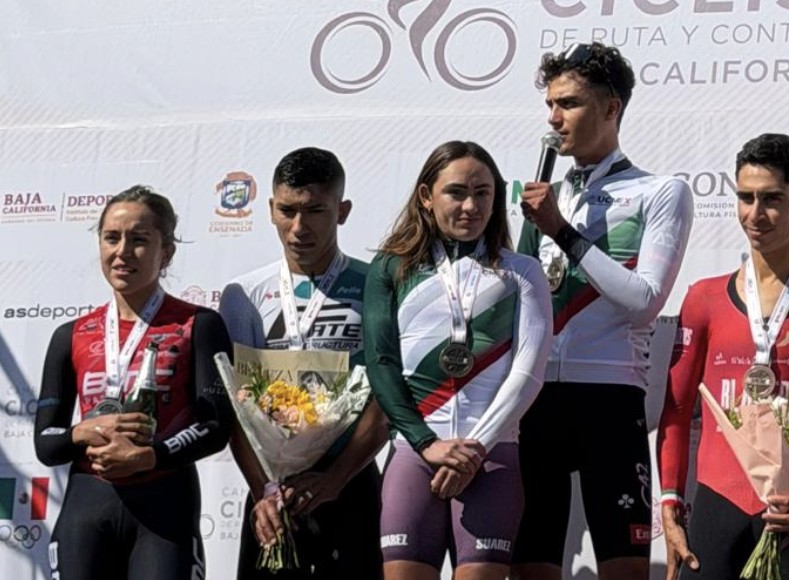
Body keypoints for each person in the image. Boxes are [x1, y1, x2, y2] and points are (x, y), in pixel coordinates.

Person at [513, 42, 694, 580]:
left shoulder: (659, 192)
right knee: (532, 564)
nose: (553, 118)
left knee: (623, 566)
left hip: (609, 394)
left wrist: (562, 232)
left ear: (611, 108)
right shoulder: (546, 195)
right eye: (549, 104)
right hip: (535, 393)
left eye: (568, 103)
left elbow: (645, 301)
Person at [657, 133, 789, 579]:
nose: (755, 215)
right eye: (745, 197)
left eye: (772, 199)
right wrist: (671, 503)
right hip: (717, 507)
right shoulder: (704, 299)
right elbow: (676, 410)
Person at [364, 140, 552, 580]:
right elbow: (382, 364)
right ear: (427, 197)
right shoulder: (390, 269)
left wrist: (475, 451)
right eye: (456, 192)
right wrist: (426, 443)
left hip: (492, 456)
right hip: (415, 454)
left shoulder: (523, 271)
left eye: (483, 193)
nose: (471, 205)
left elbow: (528, 372)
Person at [34, 185, 234, 579]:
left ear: (167, 252)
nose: (122, 251)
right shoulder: (71, 334)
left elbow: (215, 427)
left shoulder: (199, 324)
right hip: (87, 506)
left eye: (139, 240)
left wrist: (151, 455)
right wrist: (84, 431)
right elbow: (46, 442)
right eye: (112, 238)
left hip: (164, 506)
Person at [218, 147, 387, 579]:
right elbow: (235, 409)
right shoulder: (244, 295)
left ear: (342, 211)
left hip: (351, 482)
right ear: (271, 209)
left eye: (315, 210)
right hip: (271, 496)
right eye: (287, 210)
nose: (299, 227)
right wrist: (265, 491)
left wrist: (337, 477)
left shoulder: (377, 285)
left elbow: (387, 397)